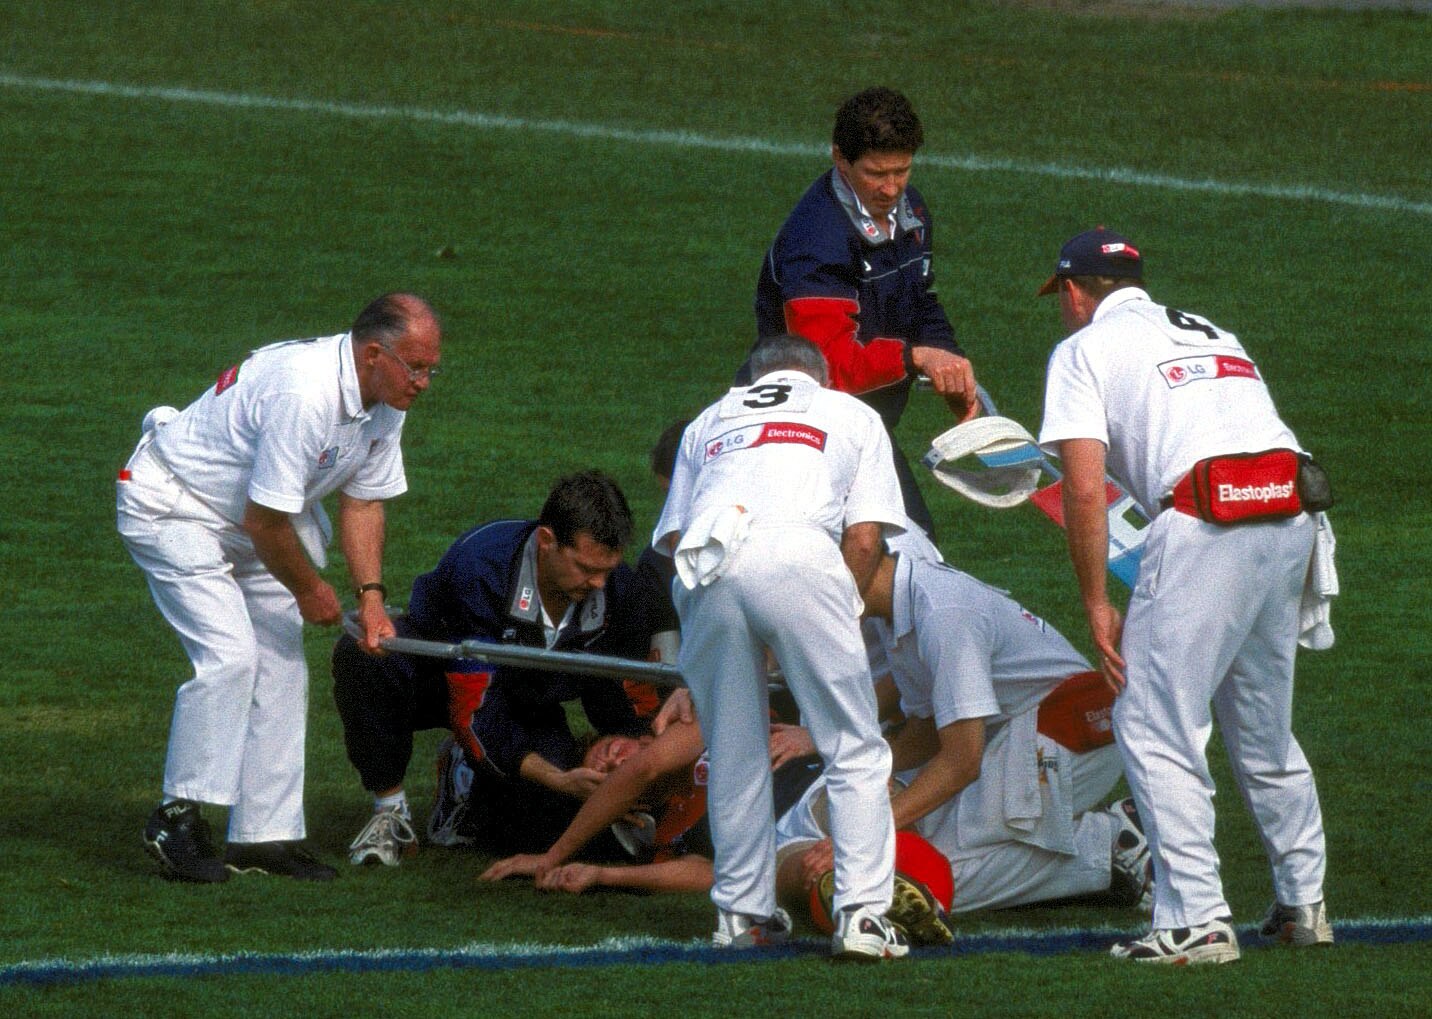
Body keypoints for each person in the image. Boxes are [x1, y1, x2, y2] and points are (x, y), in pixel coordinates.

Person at [1036, 227, 1333, 964]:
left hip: (1207, 522)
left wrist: (1096, 601)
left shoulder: (1082, 350)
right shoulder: (1212, 330)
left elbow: (1083, 489)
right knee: (1263, 727)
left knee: (1152, 721)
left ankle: (1196, 918)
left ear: (1074, 292)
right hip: (1290, 516)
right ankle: (1304, 903)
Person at [117, 292, 442, 883]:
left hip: (254, 522)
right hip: (174, 506)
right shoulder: (304, 393)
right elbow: (264, 523)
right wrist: (311, 590)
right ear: (374, 354)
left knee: (283, 664)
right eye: (415, 368)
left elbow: (363, 500)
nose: (423, 382)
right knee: (230, 657)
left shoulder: (387, 398)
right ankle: (175, 819)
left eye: (430, 370)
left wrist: (370, 598)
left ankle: (262, 836)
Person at [652, 333, 910, 961]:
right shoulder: (851, 412)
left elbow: (676, 536)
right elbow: (865, 538)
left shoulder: (710, 419)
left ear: (754, 381)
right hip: (801, 554)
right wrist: (833, 615)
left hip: (706, 564)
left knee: (733, 751)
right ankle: (862, 915)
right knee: (854, 746)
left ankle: (740, 916)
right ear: (820, 377)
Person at [795, 539, 1154, 915]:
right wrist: (873, 768)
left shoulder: (942, 613)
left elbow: (962, 762)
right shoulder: (900, 609)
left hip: (1070, 732)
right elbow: (928, 731)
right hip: (1030, 731)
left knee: (932, 876)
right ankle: (1086, 842)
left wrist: (864, 837)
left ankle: (1109, 842)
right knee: (918, 839)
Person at [334, 469, 658, 866]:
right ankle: (391, 810)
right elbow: (473, 708)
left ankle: (465, 783)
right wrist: (556, 776)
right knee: (366, 657)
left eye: (607, 570)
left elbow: (619, 688)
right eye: (586, 569)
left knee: (556, 828)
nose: (598, 583)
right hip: (442, 681)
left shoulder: (620, 589)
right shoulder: (480, 565)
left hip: (528, 701)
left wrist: (637, 760)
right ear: (546, 541)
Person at [749, 86, 978, 539]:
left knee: (910, 553)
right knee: (901, 551)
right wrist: (916, 358)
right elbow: (827, 367)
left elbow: (920, 299)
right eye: (876, 174)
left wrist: (949, 365)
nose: (891, 189)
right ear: (840, 158)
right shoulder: (815, 240)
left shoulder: (910, 211)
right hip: (804, 434)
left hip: (860, 426)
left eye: (902, 171)